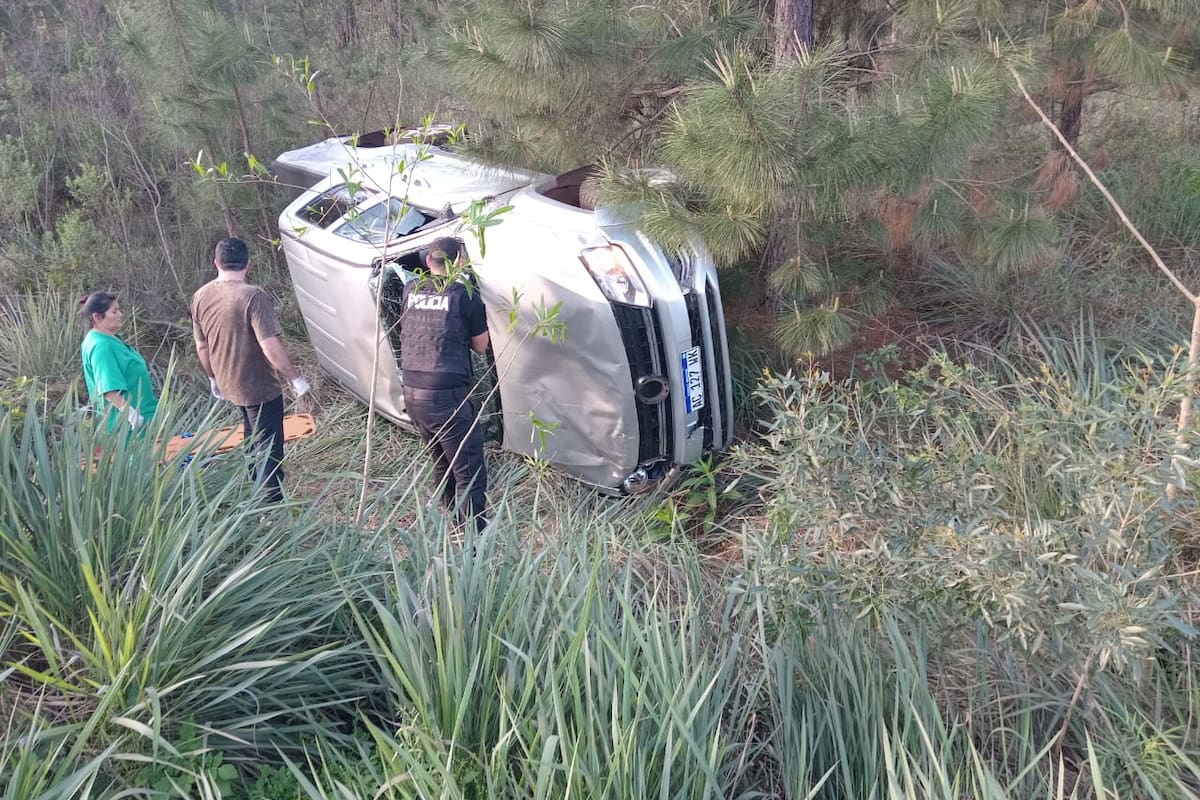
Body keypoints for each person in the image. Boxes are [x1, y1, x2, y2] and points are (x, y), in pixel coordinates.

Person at [191, 237, 310, 502]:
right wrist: (295, 378)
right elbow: (270, 345)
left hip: (229, 384)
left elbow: (202, 347)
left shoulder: (200, 296)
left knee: (250, 439)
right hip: (259, 387)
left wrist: (213, 378)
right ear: (248, 264)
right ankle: (269, 509)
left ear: (217, 263)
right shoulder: (252, 295)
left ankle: (251, 492)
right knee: (269, 449)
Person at [400, 237, 490, 531]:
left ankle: (451, 523)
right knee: (468, 470)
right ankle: (472, 542)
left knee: (442, 462)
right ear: (461, 262)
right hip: (446, 398)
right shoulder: (465, 294)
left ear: (428, 261)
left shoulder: (410, 290)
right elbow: (480, 346)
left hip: (412, 394)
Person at [79, 292, 158, 432]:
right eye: (114, 311)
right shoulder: (101, 346)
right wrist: (131, 415)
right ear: (97, 317)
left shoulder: (112, 339)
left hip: (145, 418)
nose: (120, 314)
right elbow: (108, 388)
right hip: (127, 428)